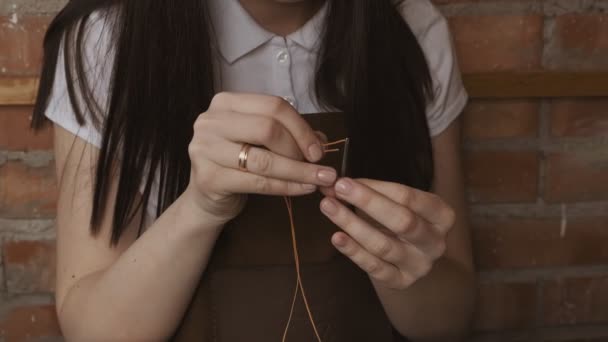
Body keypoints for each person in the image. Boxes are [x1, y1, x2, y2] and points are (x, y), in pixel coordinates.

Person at [32, 0, 476, 340]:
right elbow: (90, 327)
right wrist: (200, 208)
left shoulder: (413, 29)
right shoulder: (108, 37)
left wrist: (401, 266)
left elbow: (450, 315)